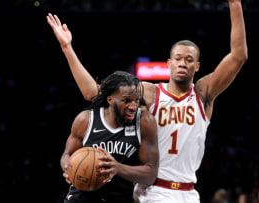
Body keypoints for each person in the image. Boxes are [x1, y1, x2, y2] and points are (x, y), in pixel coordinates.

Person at [47, 0, 247, 201]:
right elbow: (94, 93)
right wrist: (67, 49)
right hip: (153, 190)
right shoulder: (150, 92)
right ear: (169, 64)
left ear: (197, 66)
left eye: (189, 60)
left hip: (189, 192)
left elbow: (239, 56)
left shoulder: (204, 94)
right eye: (177, 58)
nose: (182, 63)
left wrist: (235, 4)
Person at [59, 71, 159, 203]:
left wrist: (118, 168)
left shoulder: (144, 122)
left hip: (120, 197)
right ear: (110, 100)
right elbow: (67, 154)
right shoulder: (86, 120)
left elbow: (151, 175)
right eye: (126, 101)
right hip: (82, 197)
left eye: (136, 100)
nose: (133, 106)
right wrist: (69, 168)